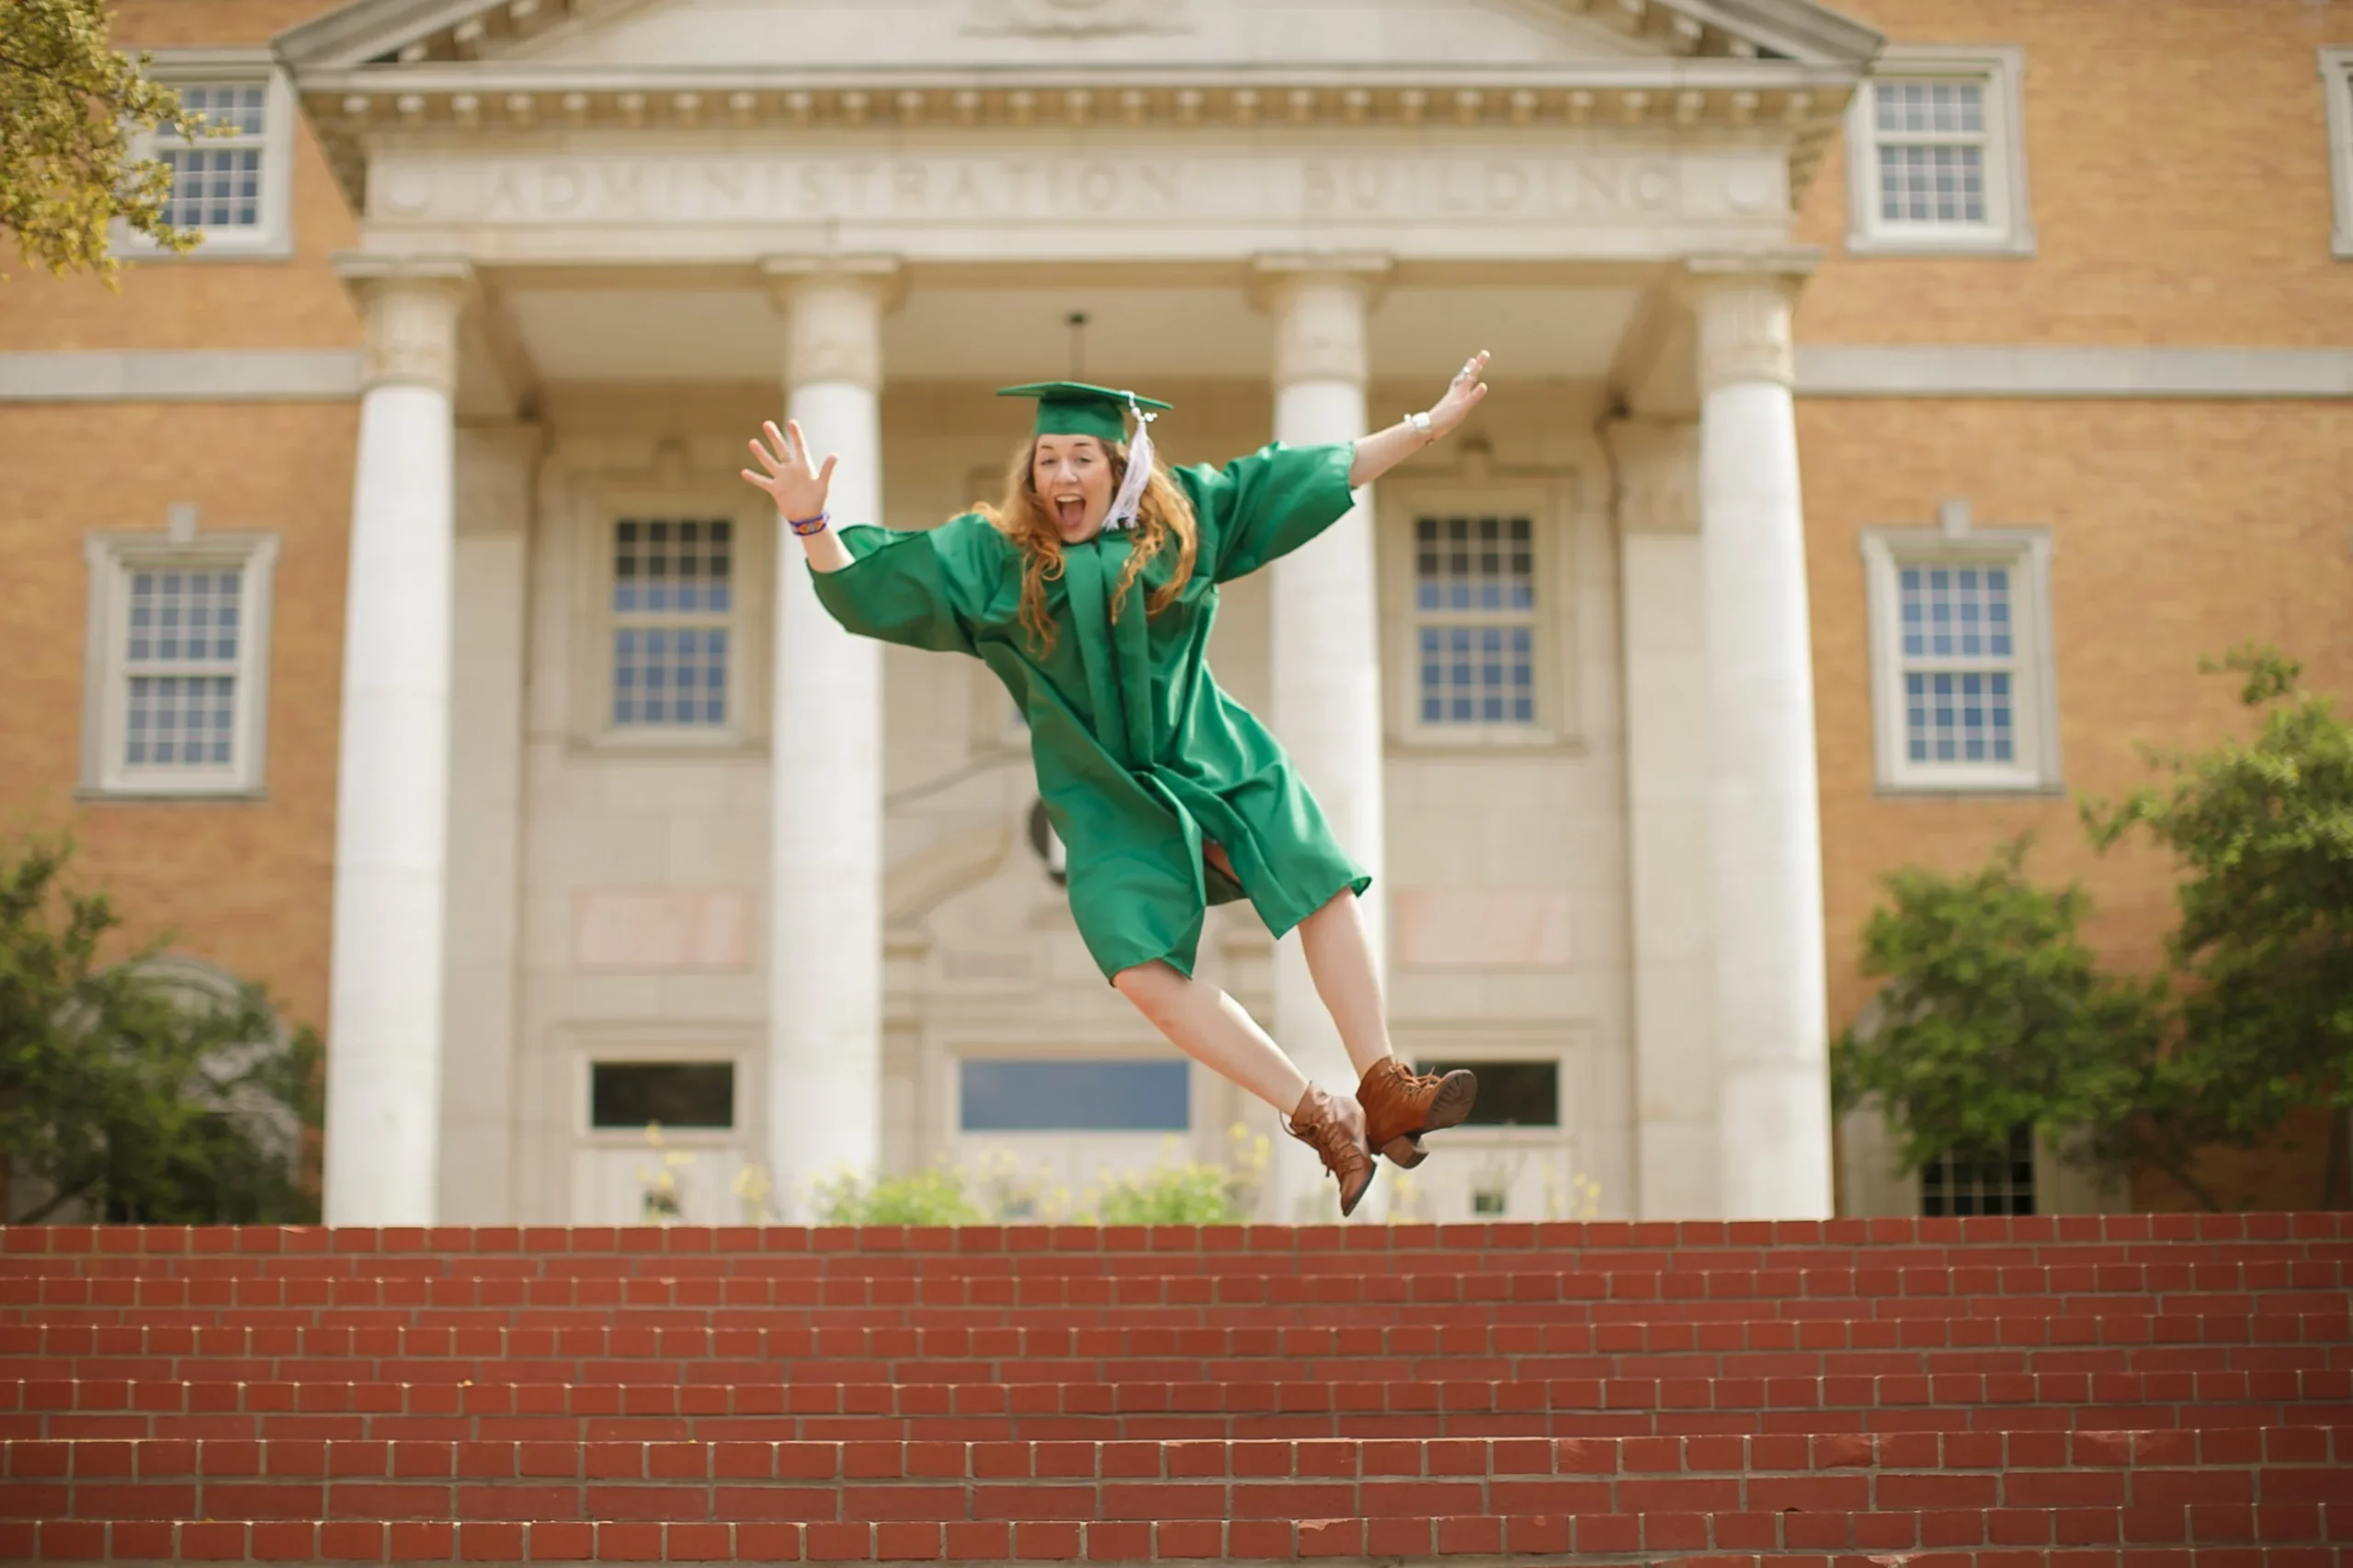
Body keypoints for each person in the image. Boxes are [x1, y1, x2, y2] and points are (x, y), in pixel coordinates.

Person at [740, 352, 1493, 1218]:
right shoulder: (994, 560)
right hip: (1103, 797)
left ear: (1121, 466)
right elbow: (878, 586)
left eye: (1082, 457)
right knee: (1140, 970)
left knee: (1321, 879)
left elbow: (1299, 477)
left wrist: (1426, 427)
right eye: (1047, 457)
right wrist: (812, 525)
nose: (1062, 473)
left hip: (1214, 753)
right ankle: (1317, 1113)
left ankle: (1383, 1082)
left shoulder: (1185, 527)